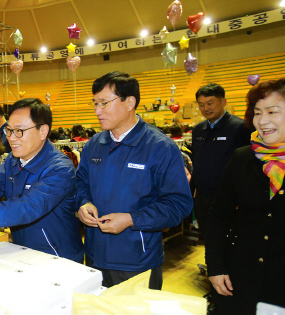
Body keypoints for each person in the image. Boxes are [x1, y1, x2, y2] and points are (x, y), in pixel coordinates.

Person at [76, 71, 193, 289]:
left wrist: (132, 219)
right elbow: (81, 182)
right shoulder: (94, 144)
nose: (97, 111)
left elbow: (178, 205)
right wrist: (83, 203)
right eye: (95, 104)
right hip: (94, 256)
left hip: (137, 261)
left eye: (103, 103)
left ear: (130, 102)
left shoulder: (160, 147)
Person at [0, 98, 84, 262]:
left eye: (19, 131)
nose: (12, 137)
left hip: (57, 256)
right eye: (9, 130)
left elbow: (28, 206)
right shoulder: (14, 158)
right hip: (23, 250)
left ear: (43, 131)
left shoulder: (60, 168)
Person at [206, 78, 285, 314]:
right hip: (242, 277)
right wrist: (216, 267)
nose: (263, 121)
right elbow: (219, 216)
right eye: (258, 113)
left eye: (272, 111)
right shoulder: (243, 157)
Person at [191, 83, 251, 239]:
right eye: (201, 105)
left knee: (227, 240)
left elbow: (245, 166)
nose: (206, 108)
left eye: (210, 103)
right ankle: (211, 264)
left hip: (228, 198)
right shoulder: (198, 130)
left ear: (223, 102)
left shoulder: (239, 127)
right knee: (208, 238)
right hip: (203, 197)